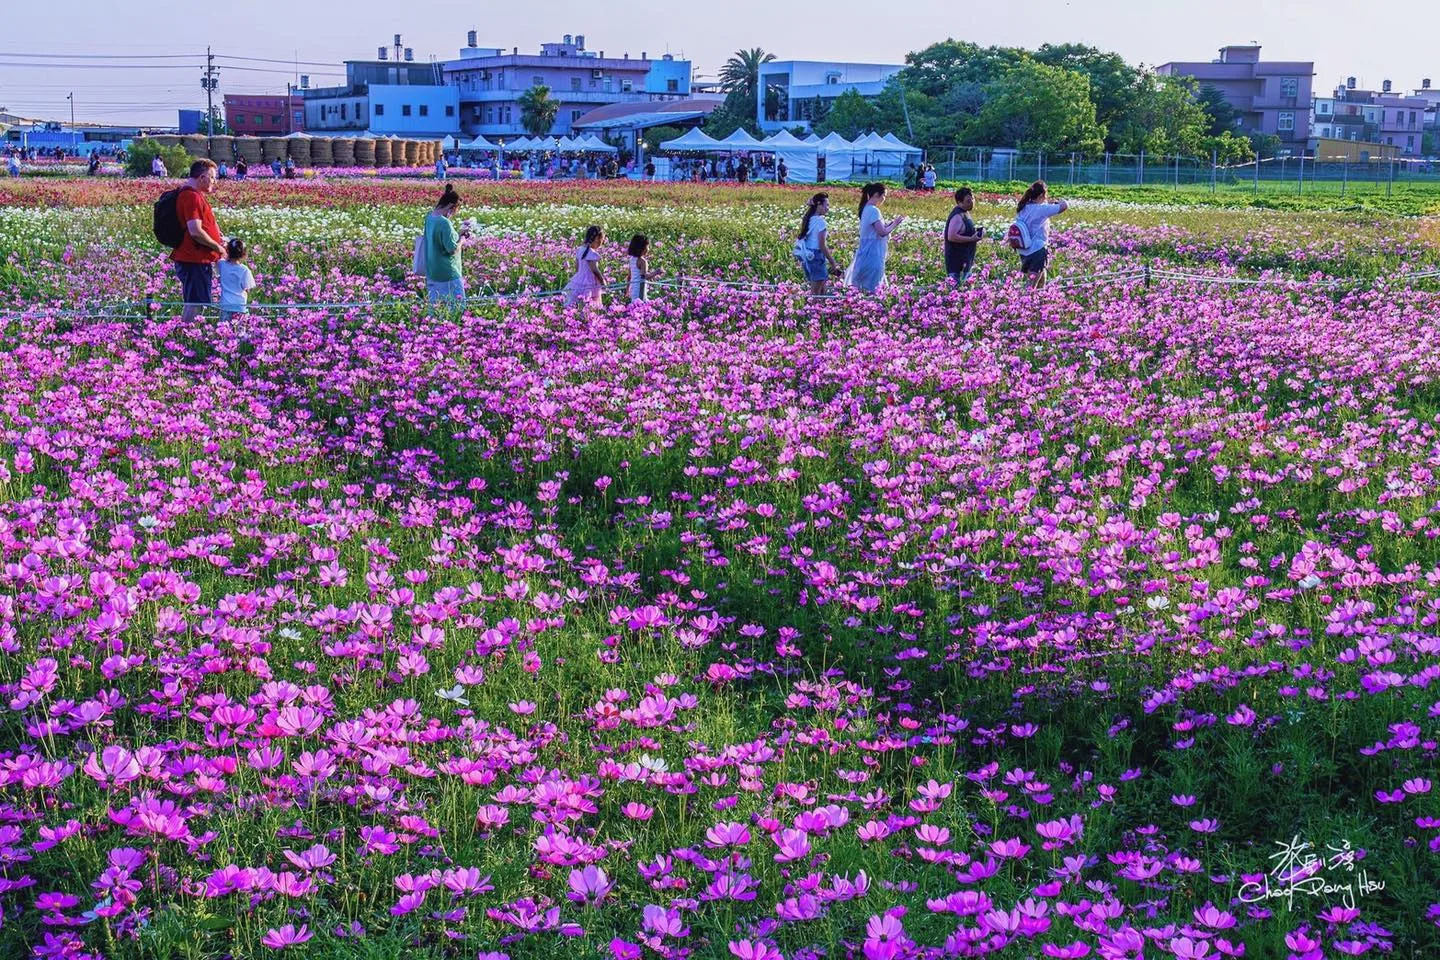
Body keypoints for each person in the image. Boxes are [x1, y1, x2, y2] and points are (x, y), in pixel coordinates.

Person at [170, 159, 227, 322]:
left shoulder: (192, 194)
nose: (214, 182)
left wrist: (217, 233)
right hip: (194, 259)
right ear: (202, 177)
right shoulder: (191, 196)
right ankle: (185, 337)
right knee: (194, 303)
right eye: (213, 177)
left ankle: (187, 334)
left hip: (194, 258)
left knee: (196, 301)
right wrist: (218, 247)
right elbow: (195, 231)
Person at [846, 183, 904, 294]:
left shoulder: (866, 209)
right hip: (873, 254)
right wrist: (895, 224)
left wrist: (888, 226)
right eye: (884, 196)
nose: (884, 199)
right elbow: (882, 232)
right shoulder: (873, 210)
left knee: (863, 289)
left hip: (866, 253)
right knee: (874, 288)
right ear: (877, 195)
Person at [1014, 180, 1068, 288]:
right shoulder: (1041, 208)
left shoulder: (1023, 207)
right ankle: (1024, 303)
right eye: (1046, 195)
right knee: (1031, 285)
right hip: (1037, 251)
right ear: (1041, 195)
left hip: (1024, 250)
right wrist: (1062, 200)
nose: (1046, 198)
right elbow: (1064, 206)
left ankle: (1041, 301)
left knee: (1041, 279)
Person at [423, 185, 470, 306]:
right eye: (455, 209)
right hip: (448, 273)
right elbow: (452, 249)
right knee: (457, 307)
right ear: (451, 206)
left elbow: (438, 238)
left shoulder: (430, 217)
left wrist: (458, 233)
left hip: (433, 271)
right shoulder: (444, 223)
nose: (454, 213)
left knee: (436, 308)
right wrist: (462, 240)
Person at [795, 192, 837, 296]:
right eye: (826, 205)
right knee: (816, 293)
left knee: (821, 288)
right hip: (816, 256)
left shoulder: (808, 218)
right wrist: (832, 261)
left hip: (808, 256)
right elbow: (822, 245)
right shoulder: (820, 221)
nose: (828, 208)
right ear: (819, 205)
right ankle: (812, 310)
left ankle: (817, 309)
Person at [944, 186, 984, 285]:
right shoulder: (957, 215)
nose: (972, 202)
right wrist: (971, 238)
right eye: (968, 201)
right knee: (957, 289)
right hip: (957, 263)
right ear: (959, 202)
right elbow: (951, 236)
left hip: (966, 259)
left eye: (973, 199)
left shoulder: (965, 212)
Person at [563, 225, 607, 308]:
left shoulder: (580, 249)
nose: (602, 243)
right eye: (602, 240)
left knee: (576, 303)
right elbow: (594, 270)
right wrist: (602, 281)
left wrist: (579, 277)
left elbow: (577, 267)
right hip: (590, 282)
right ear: (597, 239)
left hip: (578, 279)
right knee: (589, 303)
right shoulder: (591, 253)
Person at [218, 238, 256, 326]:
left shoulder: (221, 264)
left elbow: (220, 256)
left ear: (227, 250)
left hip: (226, 305)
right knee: (240, 333)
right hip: (240, 306)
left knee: (224, 331)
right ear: (244, 254)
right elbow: (247, 287)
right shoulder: (244, 270)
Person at [626, 234, 663, 302]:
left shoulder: (632, 259)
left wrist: (627, 290)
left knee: (635, 308)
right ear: (642, 248)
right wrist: (656, 272)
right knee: (642, 306)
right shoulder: (642, 261)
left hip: (633, 290)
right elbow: (645, 277)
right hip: (640, 289)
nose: (648, 248)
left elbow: (629, 277)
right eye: (648, 246)